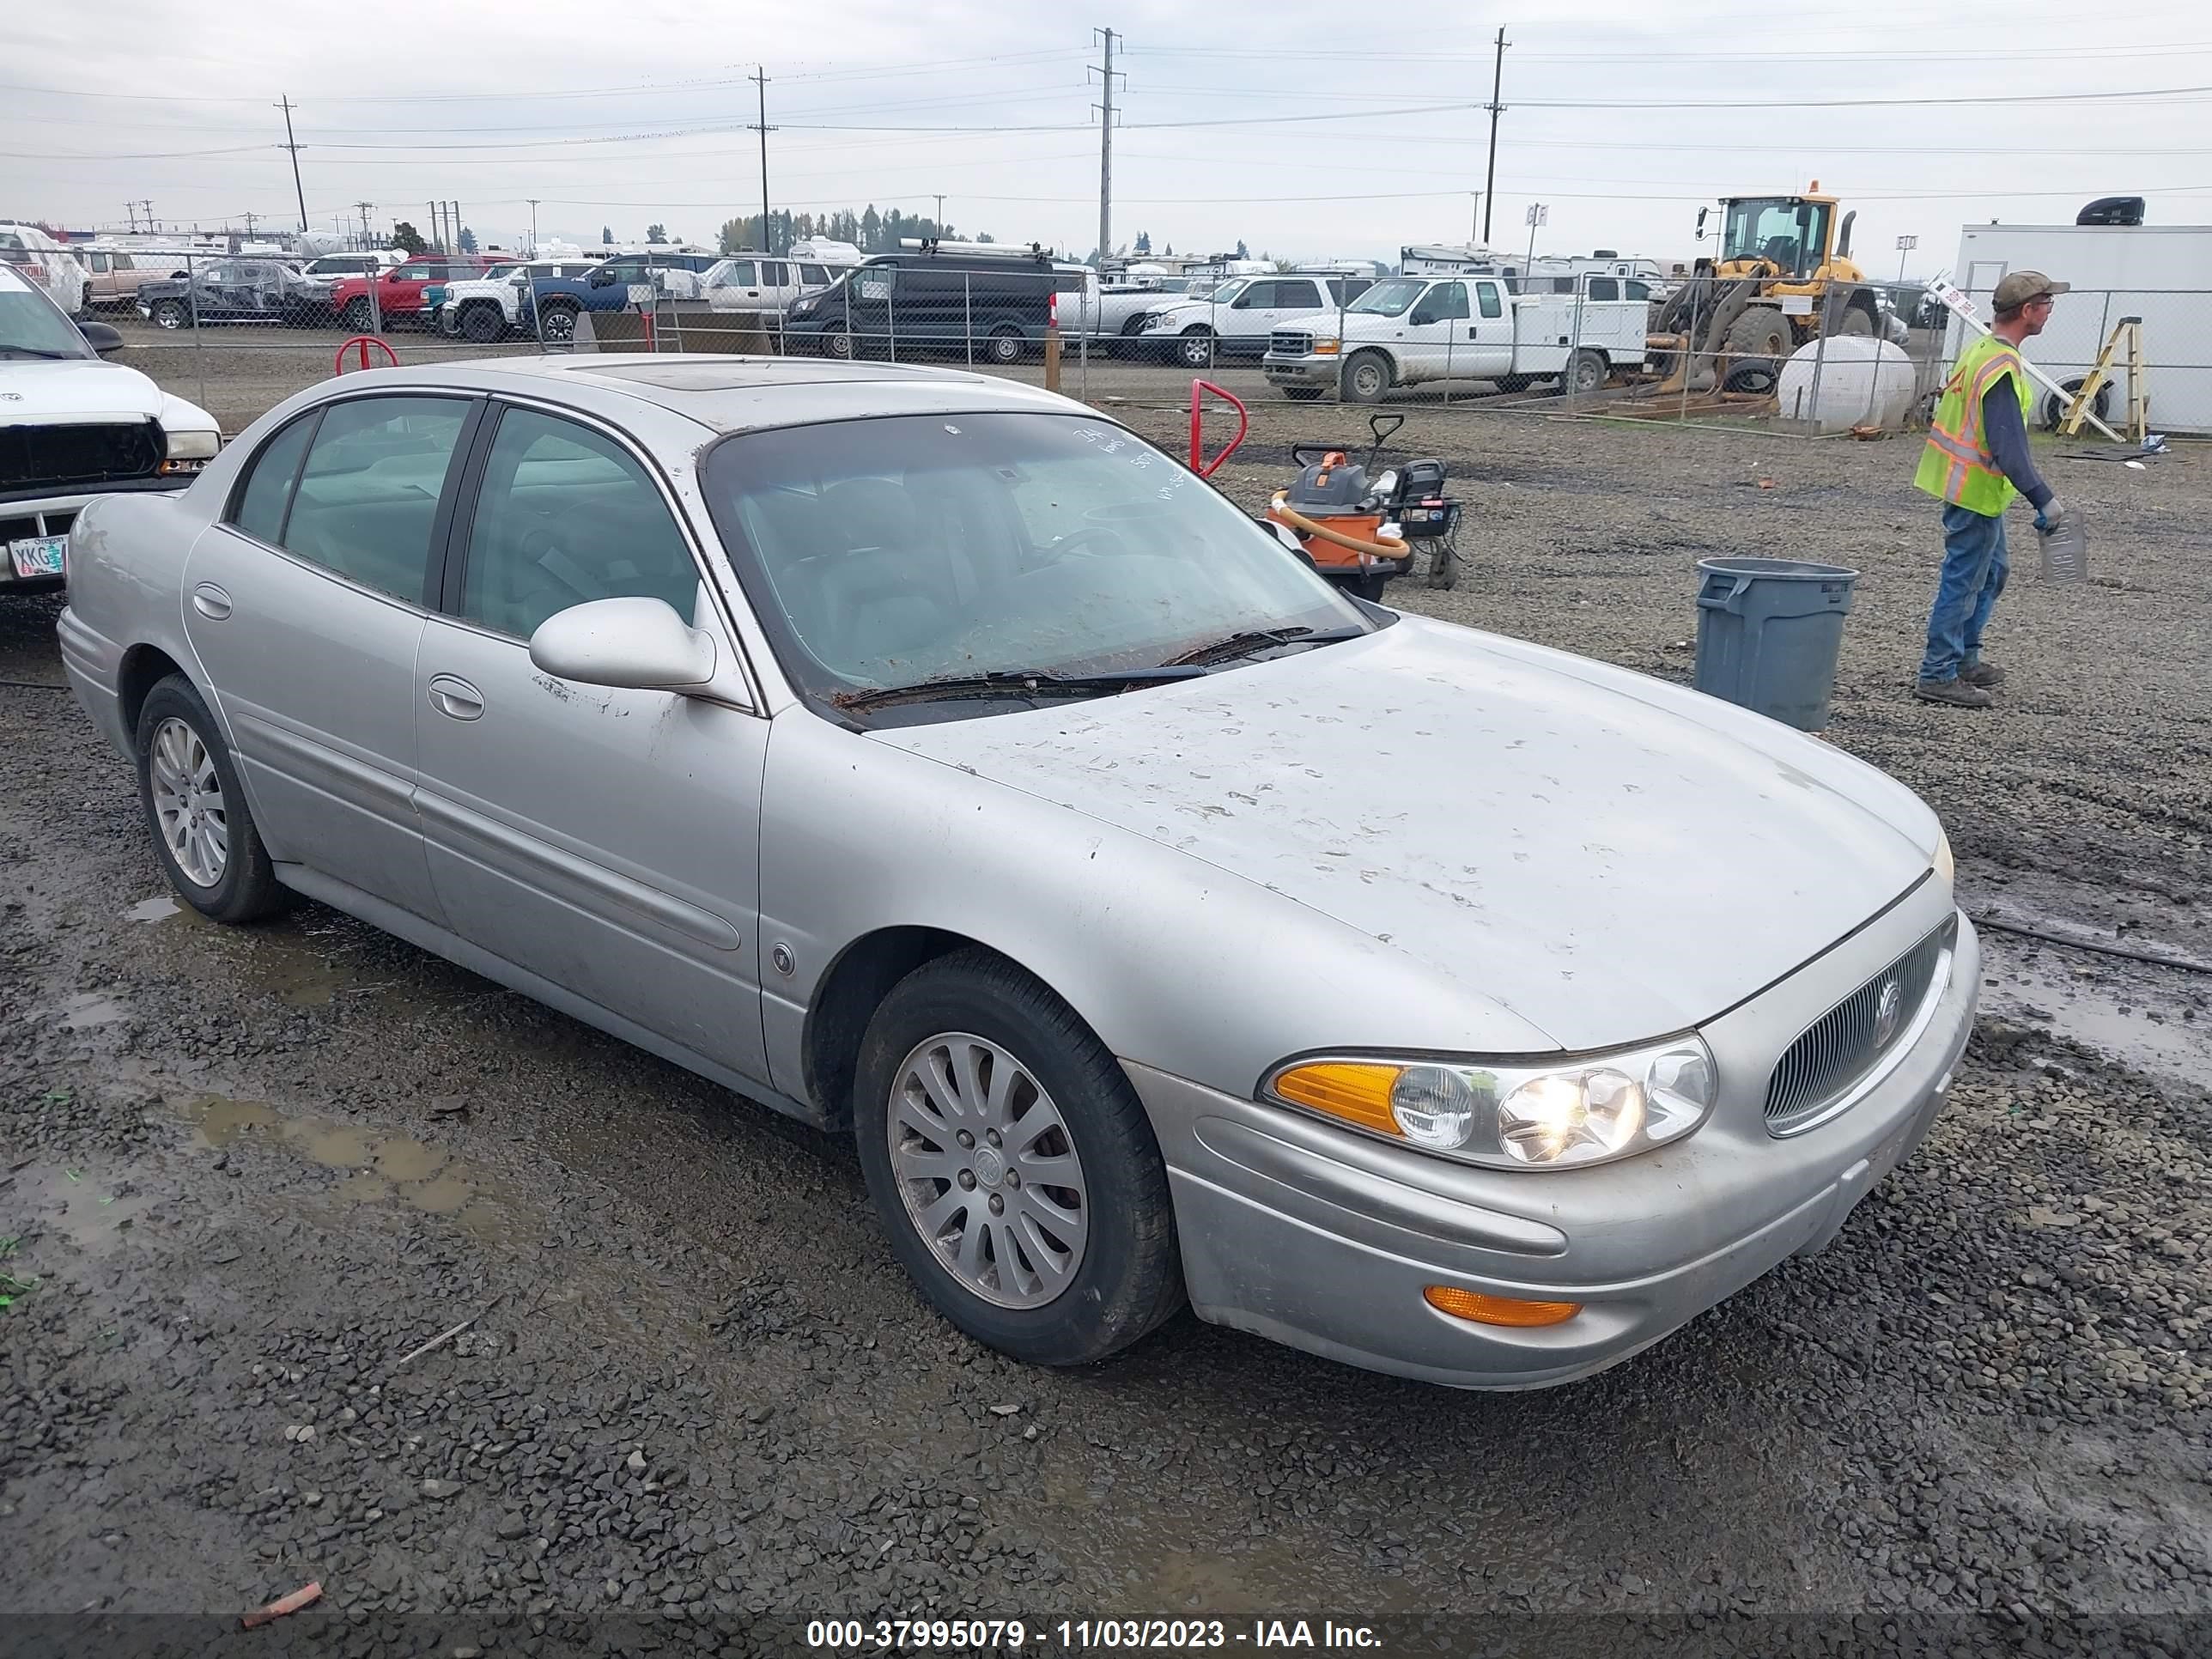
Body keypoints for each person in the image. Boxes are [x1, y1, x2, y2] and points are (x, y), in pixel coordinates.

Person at [1910, 270, 2074, 708]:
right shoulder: (1999, 365)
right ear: (2027, 311)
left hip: (1973, 488)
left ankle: (1964, 659)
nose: (2050, 312)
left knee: (1992, 572)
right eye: (2047, 304)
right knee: (1964, 581)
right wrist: (2044, 497)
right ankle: (1938, 671)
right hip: (1974, 492)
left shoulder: (1984, 350)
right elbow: (2007, 443)